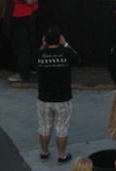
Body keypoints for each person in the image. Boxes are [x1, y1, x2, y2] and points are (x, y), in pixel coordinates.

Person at [35, 25, 79, 164]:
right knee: (62, 127)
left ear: (45, 39)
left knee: (44, 125)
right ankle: (61, 155)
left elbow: (33, 59)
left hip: (44, 98)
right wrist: (65, 44)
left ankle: (44, 152)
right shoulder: (66, 53)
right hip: (63, 99)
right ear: (59, 38)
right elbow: (77, 58)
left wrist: (43, 46)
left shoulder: (39, 54)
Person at [5, 0, 50, 82]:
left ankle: (23, 73)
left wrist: (25, 0)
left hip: (18, 12)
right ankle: (33, 67)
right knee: (31, 40)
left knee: (21, 44)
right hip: (32, 10)